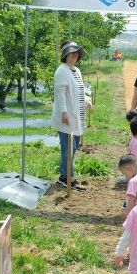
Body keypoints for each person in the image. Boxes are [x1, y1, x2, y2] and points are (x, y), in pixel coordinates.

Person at [51, 41, 87, 188]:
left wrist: (87, 100)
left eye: (76, 53)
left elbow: (79, 90)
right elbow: (60, 94)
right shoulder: (61, 71)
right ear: (65, 55)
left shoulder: (76, 71)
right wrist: (64, 112)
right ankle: (68, 178)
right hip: (66, 116)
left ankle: (64, 175)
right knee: (68, 148)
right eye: (72, 53)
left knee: (73, 146)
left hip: (76, 115)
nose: (74, 55)